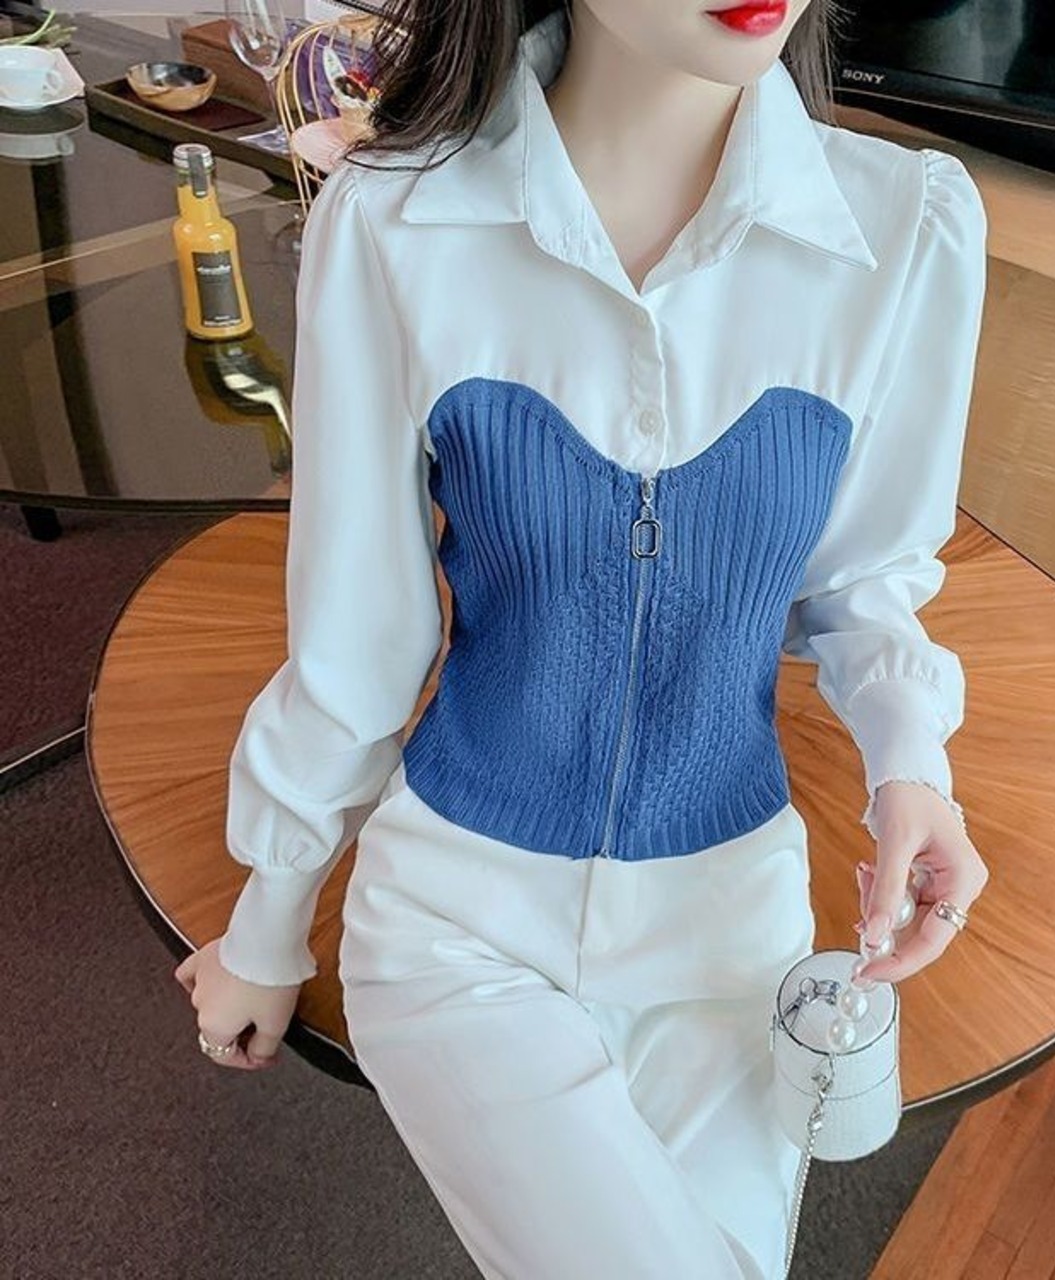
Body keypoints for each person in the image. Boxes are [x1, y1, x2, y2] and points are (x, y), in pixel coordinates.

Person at [173, 0, 991, 1275]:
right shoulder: (395, 220)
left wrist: (910, 765)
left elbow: (867, 572)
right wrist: (270, 923)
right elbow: (356, 631)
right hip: (459, 911)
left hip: (730, 925)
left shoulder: (905, 227)